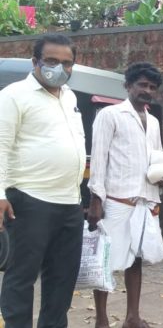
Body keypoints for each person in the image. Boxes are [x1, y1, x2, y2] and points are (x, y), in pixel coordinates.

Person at [0, 34, 86, 327]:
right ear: (35, 61)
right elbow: (0, 145)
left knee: (62, 282)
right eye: (51, 61)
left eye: (66, 63)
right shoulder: (14, 95)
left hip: (69, 204)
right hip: (28, 200)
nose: (59, 68)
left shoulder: (70, 97)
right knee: (21, 278)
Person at [87, 62, 163, 328]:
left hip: (145, 201)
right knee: (106, 260)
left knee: (135, 259)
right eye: (142, 85)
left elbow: (156, 158)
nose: (147, 91)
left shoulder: (154, 121)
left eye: (152, 87)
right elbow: (98, 159)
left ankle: (132, 317)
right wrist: (95, 201)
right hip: (115, 201)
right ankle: (101, 318)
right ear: (128, 86)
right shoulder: (110, 115)